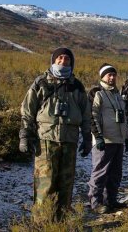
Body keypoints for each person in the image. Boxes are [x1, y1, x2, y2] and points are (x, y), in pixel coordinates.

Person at [19, 47, 92, 220]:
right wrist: (24, 136)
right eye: (59, 58)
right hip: (45, 141)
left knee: (65, 186)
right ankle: (43, 225)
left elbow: (86, 114)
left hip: (69, 142)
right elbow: (27, 111)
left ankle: (61, 223)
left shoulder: (77, 86)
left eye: (67, 59)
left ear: (71, 63)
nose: (63, 61)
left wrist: (88, 138)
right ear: (53, 60)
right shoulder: (41, 82)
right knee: (45, 186)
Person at [87, 63, 128, 214]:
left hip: (118, 140)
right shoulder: (97, 93)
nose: (112, 77)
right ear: (103, 76)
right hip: (104, 141)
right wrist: (97, 136)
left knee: (115, 173)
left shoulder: (117, 94)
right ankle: (95, 203)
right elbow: (92, 116)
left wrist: (126, 137)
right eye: (109, 75)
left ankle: (110, 200)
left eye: (114, 74)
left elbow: (123, 117)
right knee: (100, 172)